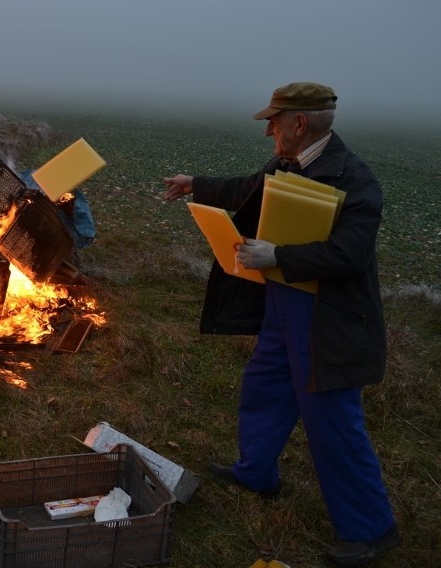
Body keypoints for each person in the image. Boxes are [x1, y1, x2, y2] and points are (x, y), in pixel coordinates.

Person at [163, 82, 398, 566]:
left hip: (327, 319)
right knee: (265, 387)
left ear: (300, 123)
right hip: (281, 304)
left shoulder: (353, 177)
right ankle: (256, 472)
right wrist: (195, 183)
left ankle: (371, 529)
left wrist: (278, 255)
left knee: (332, 421)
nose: (268, 128)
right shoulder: (285, 164)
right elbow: (245, 190)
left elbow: (350, 254)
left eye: (274, 120)